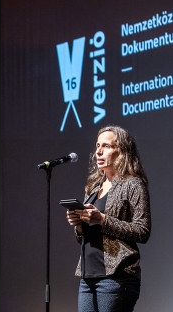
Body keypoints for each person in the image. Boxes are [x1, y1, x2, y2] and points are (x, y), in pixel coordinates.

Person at [65, 124, 151, 312]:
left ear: (122, 151)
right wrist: (78, 225)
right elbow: (86, 236)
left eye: (106, 146)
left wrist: (103, 219)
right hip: (88, 276)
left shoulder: (133, 184)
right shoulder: (93, 188)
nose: (99, 151)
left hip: (117, 276)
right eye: (97, 146)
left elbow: (143, 231)